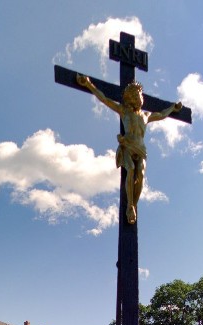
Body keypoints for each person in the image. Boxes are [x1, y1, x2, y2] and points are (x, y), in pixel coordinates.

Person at [76, 75, 183, 224]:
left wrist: (173, 108)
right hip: (128, 145)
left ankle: (133, 205)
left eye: (140, 95)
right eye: (137, 95)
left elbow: (162, 115)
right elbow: (105, 99)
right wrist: (89, 85)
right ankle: (130, 205)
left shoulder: (146, 115)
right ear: (131, 97)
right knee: (131, 169)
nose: (140, 98)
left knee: (141, 174)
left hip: (141, 148)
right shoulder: (124, 111)